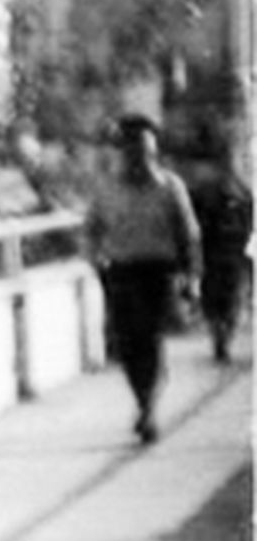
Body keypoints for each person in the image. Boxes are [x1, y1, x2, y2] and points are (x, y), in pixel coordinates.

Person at [85, 112, 201, 444]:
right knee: (126, 344)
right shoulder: (106, 190)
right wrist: (96, 261)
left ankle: (148, 408)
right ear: (123, 152)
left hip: (158, 271)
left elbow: (189, 234)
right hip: (120, 272)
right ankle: (142, 400)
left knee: (149, 339)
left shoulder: (170, 187)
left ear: (154, 152)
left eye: (145, 151)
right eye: (131, 150)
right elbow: (90, 231)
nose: (138, 158)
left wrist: (192, 277)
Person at [188, 140, 252, 362]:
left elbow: (250, 224)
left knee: (230, 300)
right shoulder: (205, 193)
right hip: (213, 254)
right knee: (216, 301)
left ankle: (223, 339)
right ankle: (220, 339)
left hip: (232, 254)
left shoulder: (244, 193)